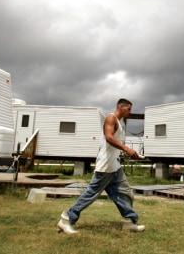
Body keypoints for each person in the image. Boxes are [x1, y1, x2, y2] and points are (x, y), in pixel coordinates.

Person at [57, 98, 145, 234]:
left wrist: (129, 153)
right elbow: (109, 137)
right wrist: (127, 149)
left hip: (114, 166)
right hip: (105, 167)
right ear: (121, 106)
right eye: (128, 109)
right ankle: (66, 219)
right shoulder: (111, 118)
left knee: (125, 193)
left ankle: (129, 221)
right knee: (90, 194)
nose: (130, 112)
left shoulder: (120, 123)